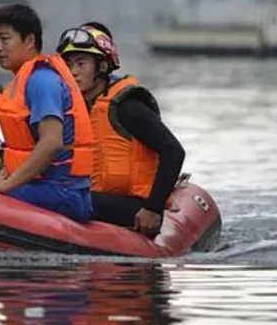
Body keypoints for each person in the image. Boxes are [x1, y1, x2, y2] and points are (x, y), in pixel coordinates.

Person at [56, 22, 186, 238]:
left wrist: (153, 208)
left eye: (81, 64)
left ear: (102, 67)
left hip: (135, 205)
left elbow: (173, 150)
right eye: (68, 65)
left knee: (67, 199)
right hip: (96, 198)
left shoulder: (127, 107)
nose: (73, 72)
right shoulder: (75, 109)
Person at [0, 4, 93, 223]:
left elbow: (52, 142)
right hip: (46, 187)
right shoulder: (24, 79)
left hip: (63, 192)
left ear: (30, 40)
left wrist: (6, 185)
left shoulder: (42, 81)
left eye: (5, 39)